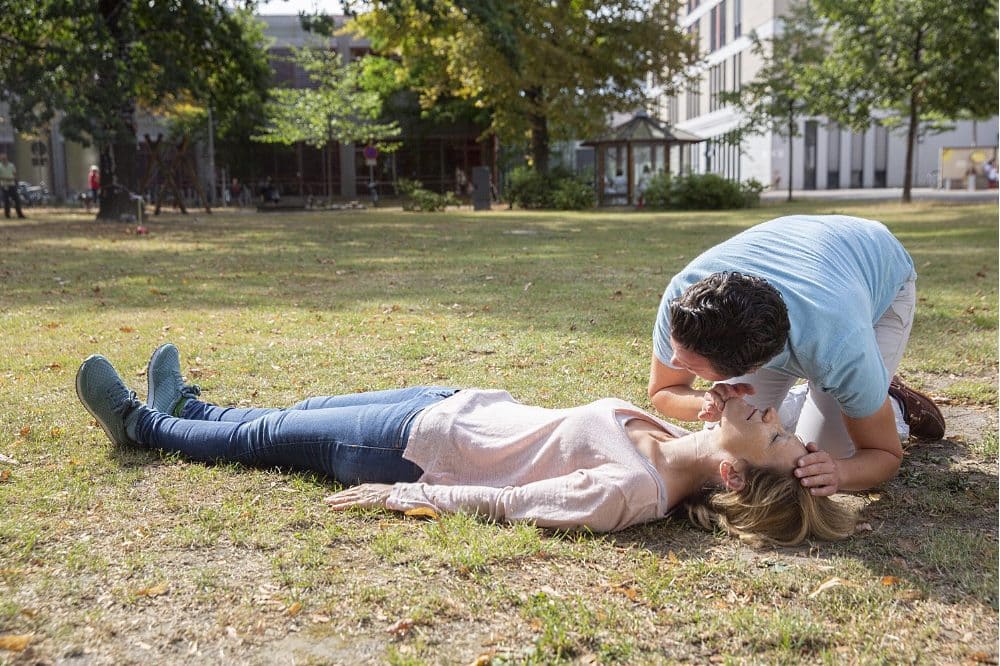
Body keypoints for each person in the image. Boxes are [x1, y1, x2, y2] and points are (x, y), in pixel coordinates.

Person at [75, 344, 857, 546]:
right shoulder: (670, 432)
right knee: (293, 407)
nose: (769, 415)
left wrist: (404, 495)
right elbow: (727, 387)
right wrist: (814, 464)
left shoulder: (629, 494)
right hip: (446, 405)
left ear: (730, 470)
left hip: (410, 451)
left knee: (264, 438)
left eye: (773, 434)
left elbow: (512, 503)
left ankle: (143, 426)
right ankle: (189, 404)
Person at [648, 215, 945, 499]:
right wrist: (706, 402)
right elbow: (663, 391)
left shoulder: (843, 350)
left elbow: (885, 455)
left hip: (876, 265)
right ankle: (839, 398)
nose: (673, 361)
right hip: (804, 251)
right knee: (732, 438)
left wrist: (839, 472)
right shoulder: (685, 306)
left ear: (753, 367)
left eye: (689, 365)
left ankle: (890, 400)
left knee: (821, 460)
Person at [0, 152, 25, 219]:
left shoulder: (11, 165)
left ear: (7, 158)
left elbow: (14, 174)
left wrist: (13, 178)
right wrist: (7, 179)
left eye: (4, 158)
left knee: (17, 200)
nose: (3, 159)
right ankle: (7, 215)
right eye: (2, 158)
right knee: (6, 201)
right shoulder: (0, 166)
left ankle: (20, 214)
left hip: (12, 185)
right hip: (4, 186)